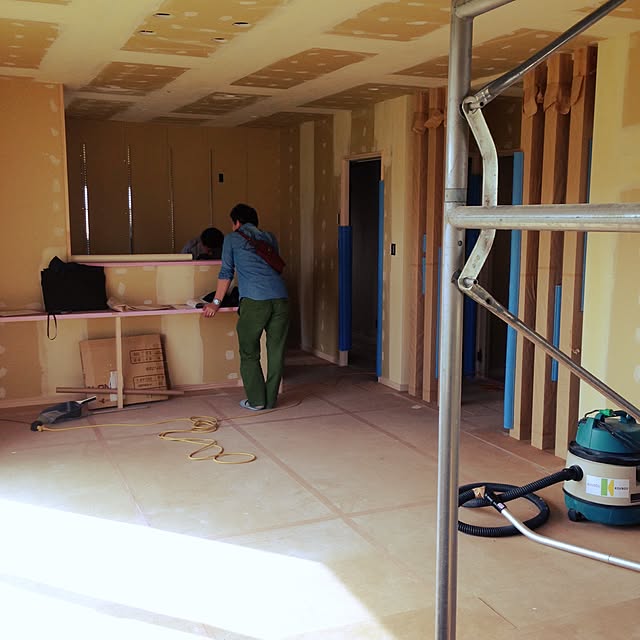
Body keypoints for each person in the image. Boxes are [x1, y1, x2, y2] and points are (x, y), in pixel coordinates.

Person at [202, 203, 288, 411]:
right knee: (276, 352)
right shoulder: (270, 237)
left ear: (237, 222)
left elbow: (226, 272)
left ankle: (257, 401)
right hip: (281, 299)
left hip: (255, 301)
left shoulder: (232, 238)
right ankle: (271, 400)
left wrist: (215, 303)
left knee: (249, 352)